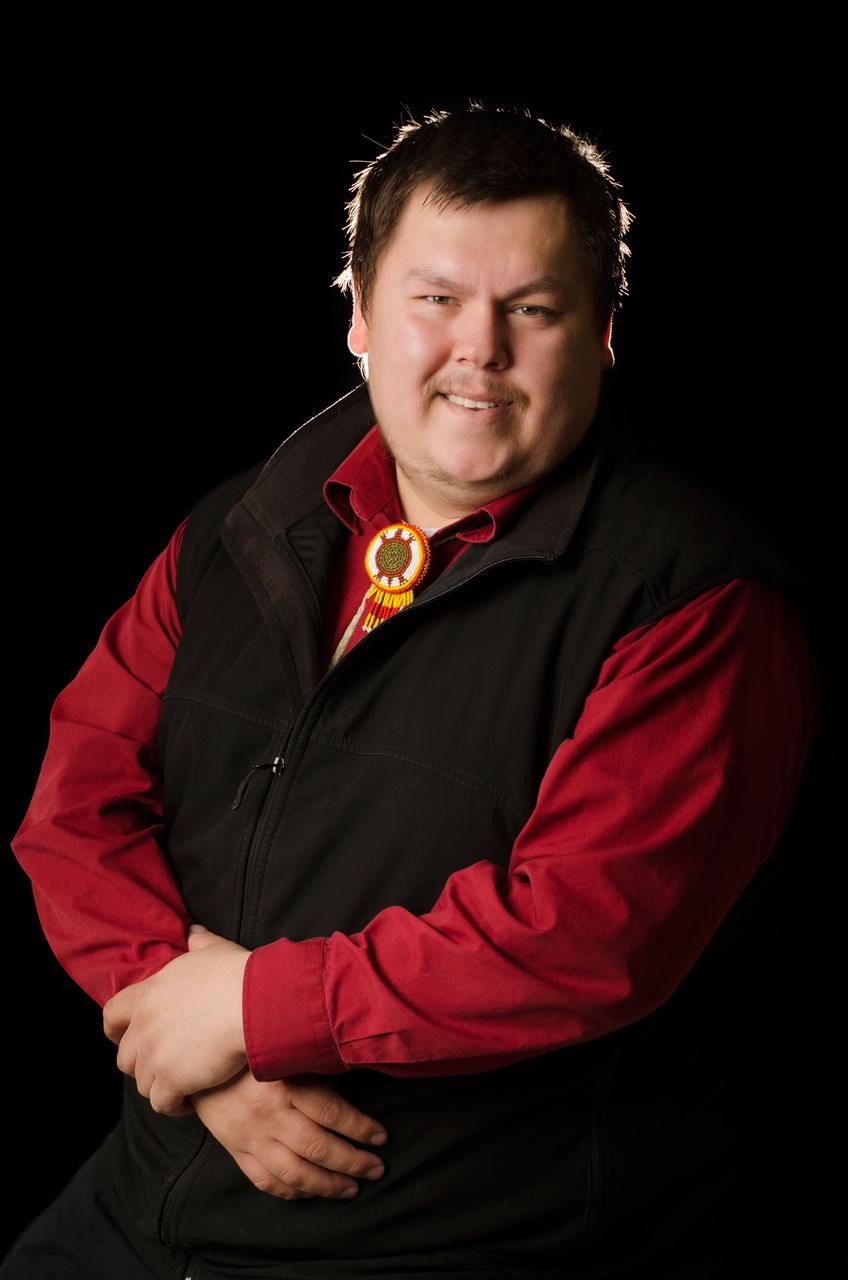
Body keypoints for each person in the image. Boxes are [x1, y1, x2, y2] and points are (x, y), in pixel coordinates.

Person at [5, 103, 822, 1279]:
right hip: (148, 1192)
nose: (477, 347)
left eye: (531, 308)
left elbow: (583, 934)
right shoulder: (237, 526)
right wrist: (187, 1030)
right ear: (358, 315)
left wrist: (246, 1014)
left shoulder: (694, 597)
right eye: (435, 297)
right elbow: (77, 801)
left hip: (446, 1237)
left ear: (600, 332)